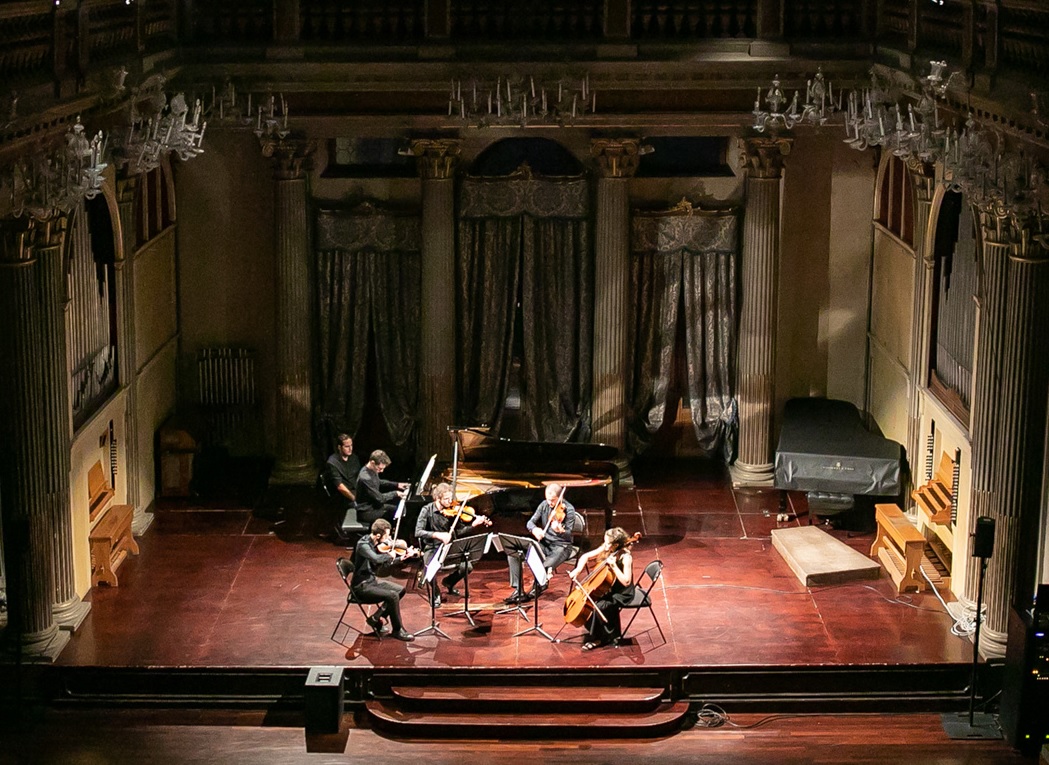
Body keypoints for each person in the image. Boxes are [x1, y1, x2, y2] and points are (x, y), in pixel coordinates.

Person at [415, 482, 491, 608]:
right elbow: (418, 532)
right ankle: (436, 593)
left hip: (449, 547)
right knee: (430, 570)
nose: (450, 501)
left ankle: (449, 582)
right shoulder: (426, 510)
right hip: (432, 548)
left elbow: (458, 532)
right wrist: (437, 535)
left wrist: (473, 525)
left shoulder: (453, 512)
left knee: (467, 567)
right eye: (446, 499)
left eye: (451, 498)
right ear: (437, 498)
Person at [504, 483, 576, 604]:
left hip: (561, 546)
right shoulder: (544, 505)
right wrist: (534, 529)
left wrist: (560, 531)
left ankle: (540, 584)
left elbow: (569, 535)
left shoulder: (569, 510)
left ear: (560, 498)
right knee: (513, 553)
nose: (550, 503)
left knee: (541, 568)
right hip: (544, 543)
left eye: (553, 500)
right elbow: (530, 522)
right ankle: (518, 590)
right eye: (548, 499)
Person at [567, 526, 635, 651]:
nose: (606, 546)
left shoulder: (626, 557)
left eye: (609, 544)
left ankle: (602, 638)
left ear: (616, 544)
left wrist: (614, 566)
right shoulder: (607, 547)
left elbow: (626, 581)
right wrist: (578, 569)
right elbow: (586, 556)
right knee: (590, 604)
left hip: (621, 592)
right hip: (608, 588)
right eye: (605, 542)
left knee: (598, 606)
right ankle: (599, 633)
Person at [352, 518, 417, 641]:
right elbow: (376, 559)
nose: (388, 539)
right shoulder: (363, 545)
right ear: (378, 535)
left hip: (372, 582)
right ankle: (398, 630)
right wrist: (388, 555)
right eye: (386, 536)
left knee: (400, 590)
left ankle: (376, 618)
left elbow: (383, 564)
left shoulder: (376, 544)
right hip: (361, 586)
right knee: (392, 596)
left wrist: (401, 558)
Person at [355, 450, 408, 525]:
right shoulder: (365, 477)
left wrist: (396, 484)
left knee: (398, 508)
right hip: (366, 512)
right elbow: (380, 499)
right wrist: (395, 493)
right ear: (372, 463)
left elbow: (378, 481)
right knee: (398, 513)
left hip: (373, 507)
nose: (382, 471)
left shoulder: (370, 470)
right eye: (380, 468)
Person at [322, 433, 360, 533]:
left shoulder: (354, 458)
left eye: (351, 445)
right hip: (341, 496)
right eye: (347, 446)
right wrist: (354, 498)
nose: (350, 448)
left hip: (355, 490)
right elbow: (339, 486)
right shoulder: (332, 462)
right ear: (339, 447)